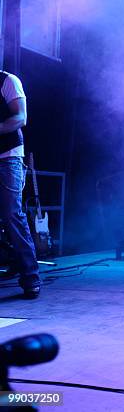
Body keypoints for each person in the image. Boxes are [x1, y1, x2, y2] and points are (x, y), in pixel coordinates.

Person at [0, 71, 40, 299]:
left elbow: (20, 118)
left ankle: (30, 278)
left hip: (7, 157)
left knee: (12, 215)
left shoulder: (8, 81)